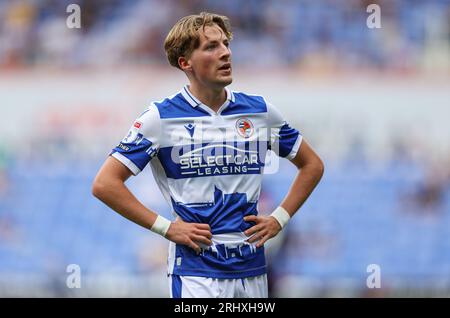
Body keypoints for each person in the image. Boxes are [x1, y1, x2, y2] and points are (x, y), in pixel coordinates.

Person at [92, 12, 324, 298]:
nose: (225, 53)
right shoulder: (161, 117)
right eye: (211, 47)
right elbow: (105, 183)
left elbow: (312, 165)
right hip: (195, 268)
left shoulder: (260, 111)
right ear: (185, 62)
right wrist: (166, 228)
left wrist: (279, 218)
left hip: (251, 267)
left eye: (226, 44)